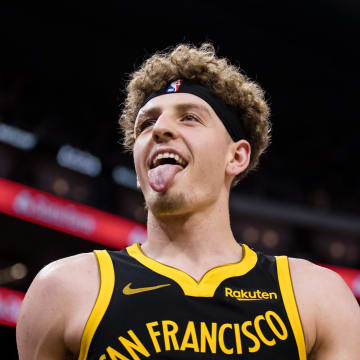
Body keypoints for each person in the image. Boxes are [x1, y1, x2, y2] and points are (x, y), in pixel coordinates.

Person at [16, 43, 360, 360]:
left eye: (190, 117)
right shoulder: (63, 288)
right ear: (139, 169)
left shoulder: (315, 296)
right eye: (146, 123)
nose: (159, 129)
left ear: (236, 157)